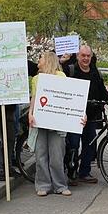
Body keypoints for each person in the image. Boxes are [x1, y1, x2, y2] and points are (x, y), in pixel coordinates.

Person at [28, 52, 75, 197]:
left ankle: (60, 185)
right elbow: (34, 98)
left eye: (41, 58)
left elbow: (68, 97)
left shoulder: (61, 76)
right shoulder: (36, 79)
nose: (38, 60)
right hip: (40, 120)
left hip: (57, 122)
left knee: (57, 155)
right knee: (41, 154)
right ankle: (43, 185)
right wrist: (30, 113)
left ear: (48, 60)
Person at [63, 45, 108, 185]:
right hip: (74, 116)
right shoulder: (70, 71)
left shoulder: (95, 72)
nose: (85, 58)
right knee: (73, 144)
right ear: (77, 56)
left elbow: (102, 91)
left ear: (91, 57)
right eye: (83, 55)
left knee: (89, 144)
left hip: (91, 116)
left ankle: (84, 172)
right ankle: (72, 173)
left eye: (88, 56)